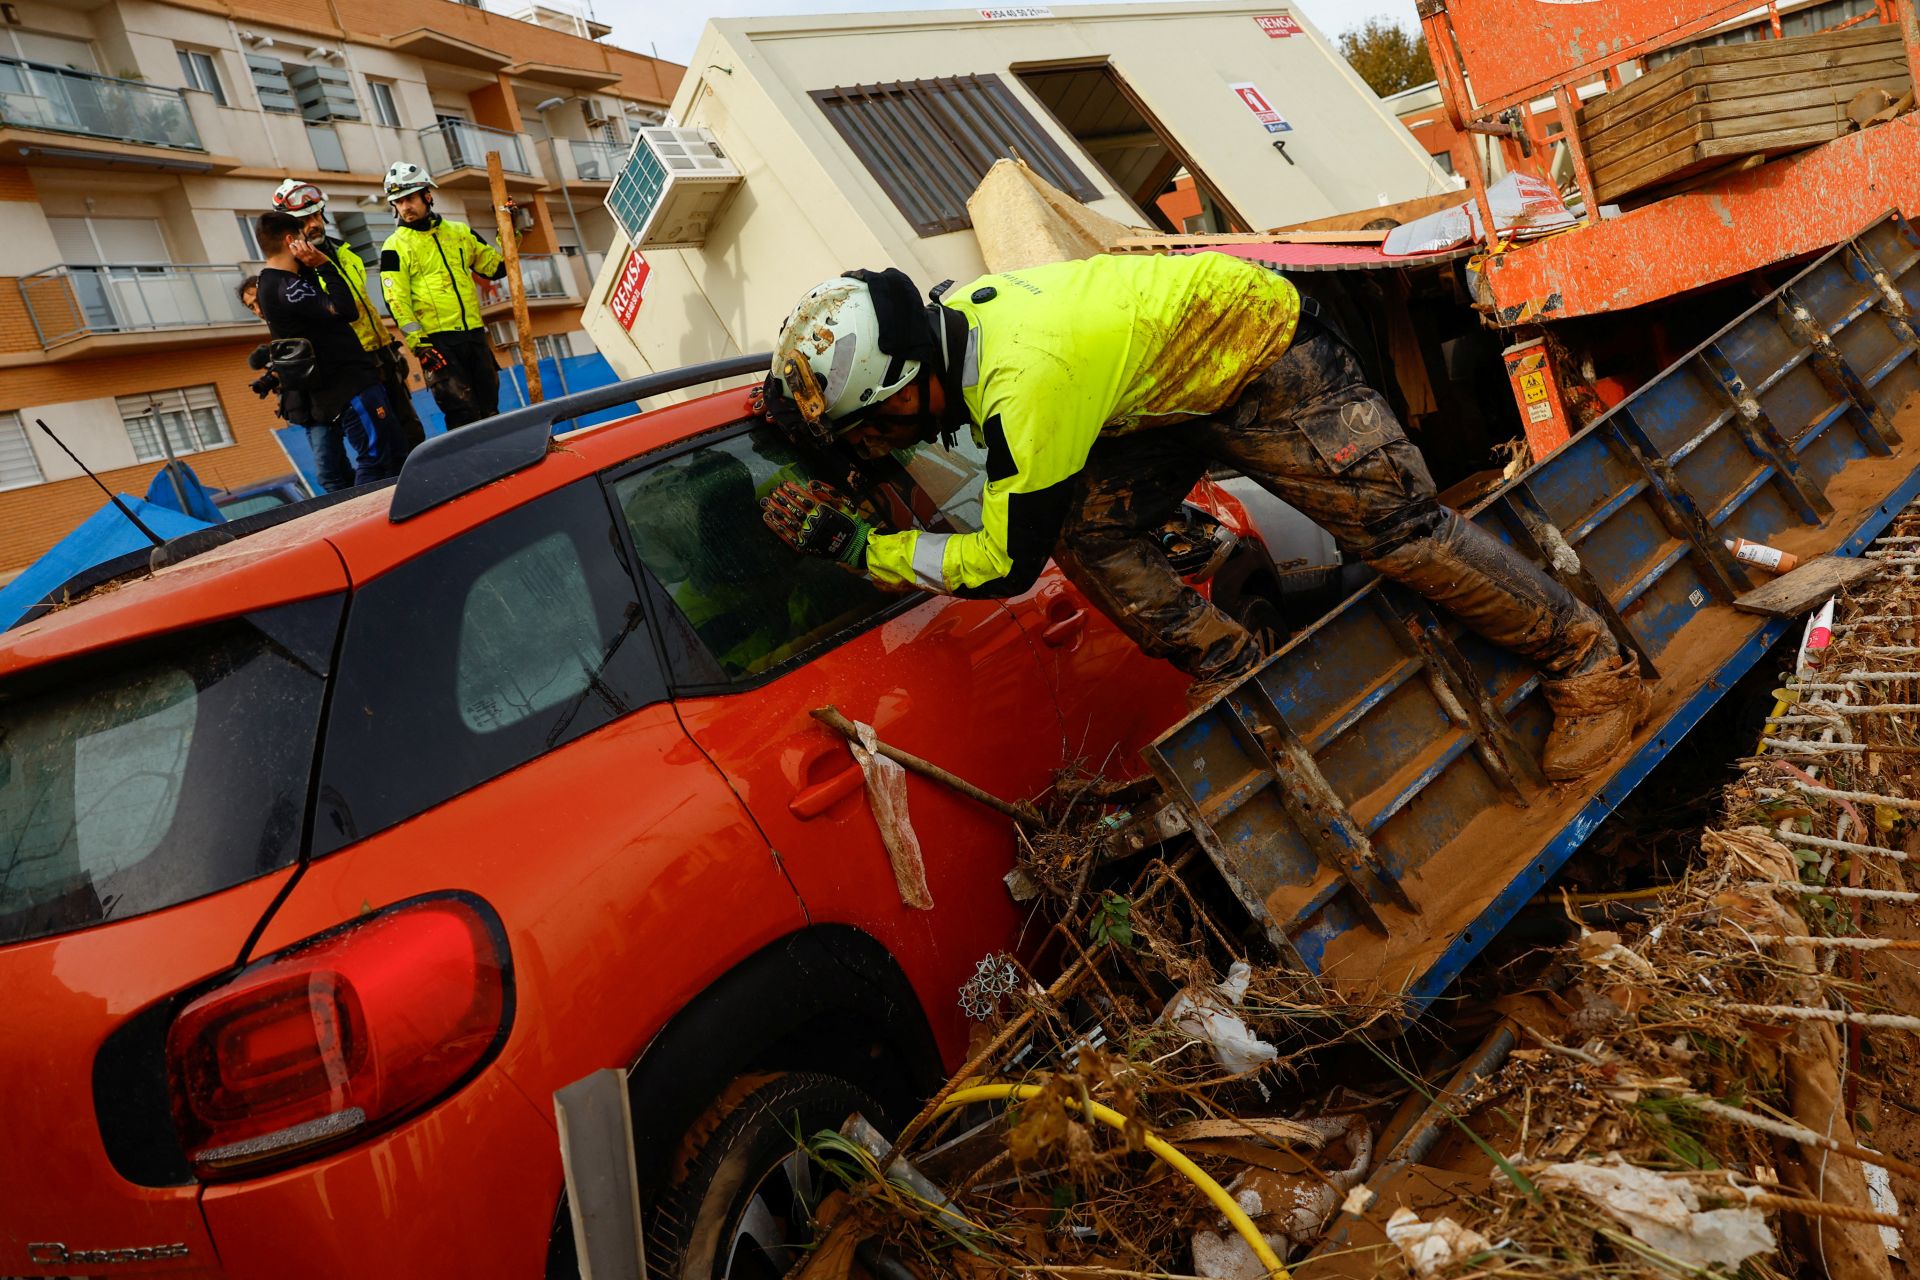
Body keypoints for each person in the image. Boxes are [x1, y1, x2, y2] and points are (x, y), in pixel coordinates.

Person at [756, 255, 1652, 784]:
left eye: (871, 425)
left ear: (908, 388)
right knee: (1089, 530)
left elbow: (1003, 564)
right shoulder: (954, 328)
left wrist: (869, 549)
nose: (874, 442)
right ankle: (1232, 667)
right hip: (1167, 394)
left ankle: (1591, 662)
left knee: (1396, 530)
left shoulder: (1023, 384)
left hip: (1265, 354)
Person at [270, 179, 427, 459]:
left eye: (317, 214)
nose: (314, 223)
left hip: (382, 353)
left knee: (411, 432)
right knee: (382, 446)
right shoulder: (297, 273)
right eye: (305, 219)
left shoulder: (344, 251)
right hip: (353, 365)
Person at [252, 210, 399, 492]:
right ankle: (367, 523)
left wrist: (308, 267)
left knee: (392, 453)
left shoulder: (277, 282)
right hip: (348, 385)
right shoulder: (285, 286)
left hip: (348, 382)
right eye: (302, 239)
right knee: (375, 460)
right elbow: (345, 309)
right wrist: (324, 265)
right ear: (289, 240)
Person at [376, 161, 505, 430]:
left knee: (491, 410)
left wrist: (508, 228)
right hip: (437, 342)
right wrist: (421, 346)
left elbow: (497, 267)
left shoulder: (460, 232)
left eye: (409, 198)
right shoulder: (394, 246)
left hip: (473, 334)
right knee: (463, 416)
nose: (405, 207)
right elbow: (395, 300)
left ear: (427, 195)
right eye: (398, 202)